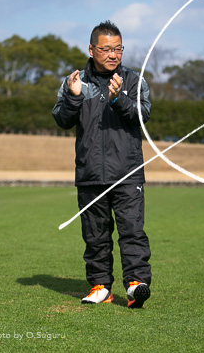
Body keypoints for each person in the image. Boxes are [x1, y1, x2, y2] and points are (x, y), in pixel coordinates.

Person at [52, 20, 152, 308]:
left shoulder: (133, 81)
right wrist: (73, 97)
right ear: (91, 49)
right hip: (90, 173)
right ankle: (100, 286)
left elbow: (143, 115)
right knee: (95, 235)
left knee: (132, 232)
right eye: (106, 49)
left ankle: (135, 285)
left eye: (118, 49)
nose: (113, 55)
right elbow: (61, 119)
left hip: (128, 173)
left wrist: (118, 99)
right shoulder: (75, 81)